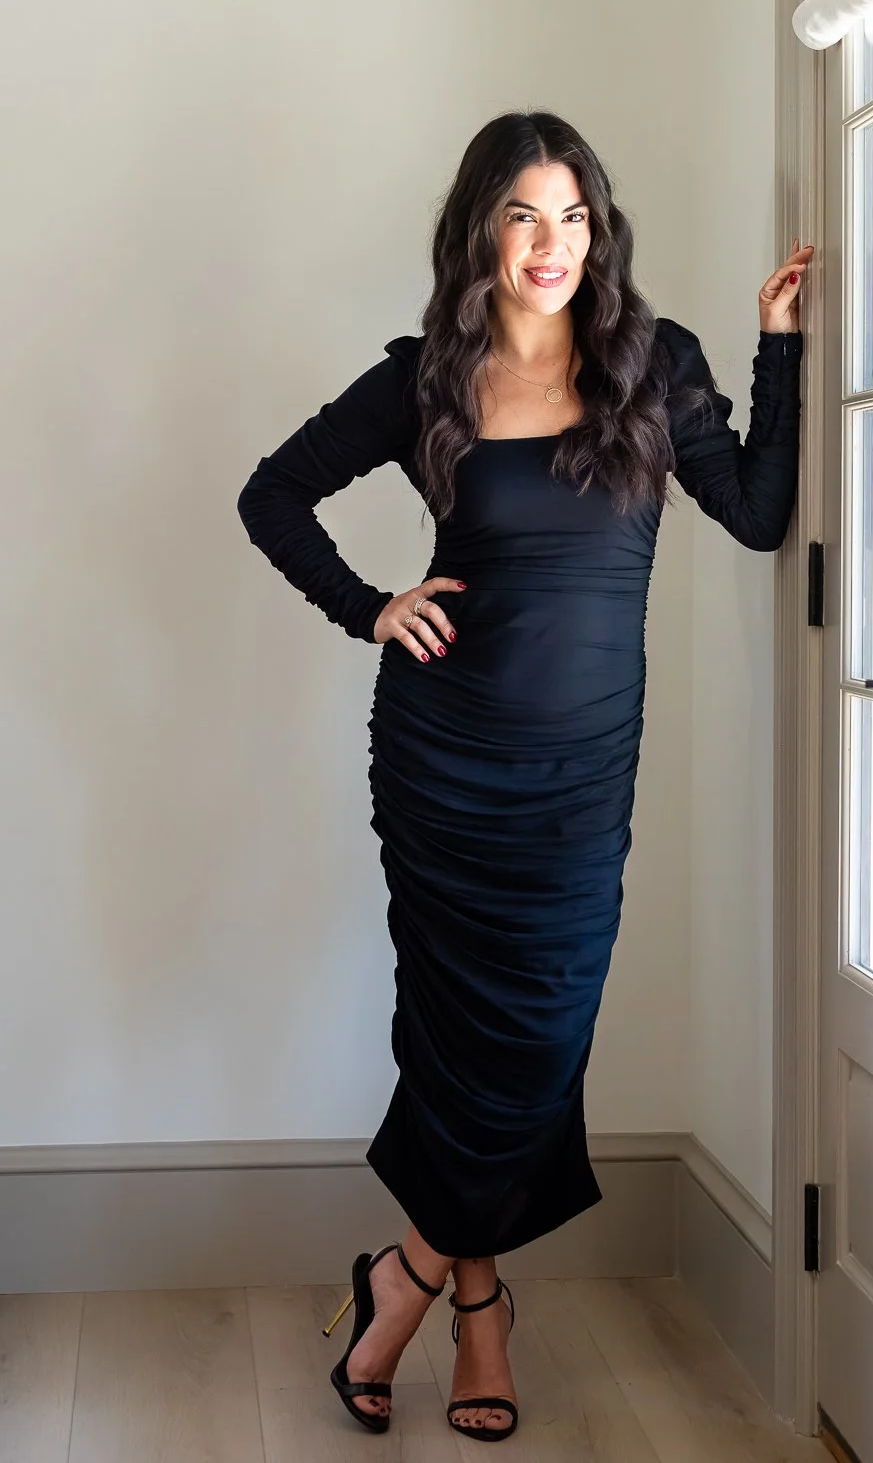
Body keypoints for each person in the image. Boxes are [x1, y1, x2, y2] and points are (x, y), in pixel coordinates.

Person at [236, 110, 811, 1442]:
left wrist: (778, 347)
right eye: (523, 217)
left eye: (574, 217)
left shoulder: (655, 365)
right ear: (479, 234)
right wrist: (369, 606)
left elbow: (757, 511)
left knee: (536, 1037)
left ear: (599, 232)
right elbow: (272, 494)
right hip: (443, 762)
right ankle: (481, 1312)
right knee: (457, 1039)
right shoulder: (427, 380)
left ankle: (408, 1278)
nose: (552, 244)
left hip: (579, 776)